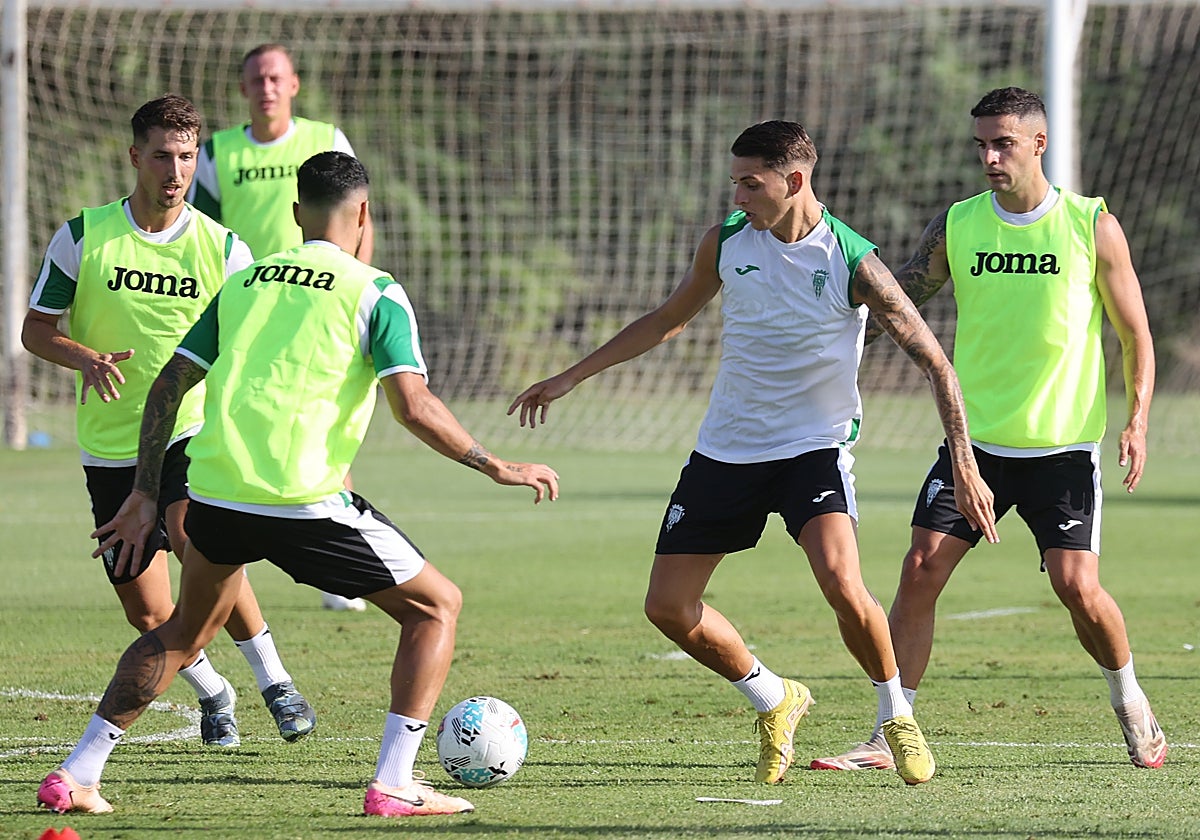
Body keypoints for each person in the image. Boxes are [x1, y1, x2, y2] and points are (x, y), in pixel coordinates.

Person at [36, 151, 560, 818]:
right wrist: (498, 465)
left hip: (217, 492)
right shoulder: (375, 290)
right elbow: (415, 406)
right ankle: (395, 783)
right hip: (305, 500)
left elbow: (169, 383)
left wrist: (143, 491)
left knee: (186, 629)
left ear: (294, 214)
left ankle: (78, 772)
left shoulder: (247, 281)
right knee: (435, 608)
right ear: (364, 213)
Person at [508, 120, 997, 786]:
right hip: (726, 450)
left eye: (750, 182)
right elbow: (666, 320)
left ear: (794, 181)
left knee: (842, 583)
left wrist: (964, 465)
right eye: (734, 180)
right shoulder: (727, 241)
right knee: (667, 608)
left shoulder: (852, 261)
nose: (737, 195)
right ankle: (775, 697)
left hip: (811, 452)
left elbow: (937, 365)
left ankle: (895, 718)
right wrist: (569, 377)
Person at [810, 87, 1166, 773]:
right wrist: (827, 298)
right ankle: (892, 732)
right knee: (919, 571)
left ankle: (1132, 703)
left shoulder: (1091, 226)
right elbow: (904, 291)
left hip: (1061, 450)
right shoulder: (959, 224)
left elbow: (1134, 333)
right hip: (972, 447)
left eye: (1002, 143)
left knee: (1076, 588)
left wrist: (1139, 420)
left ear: (1039, 143)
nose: (989, 156)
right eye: (981, 144)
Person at [22, 94, 315, 751]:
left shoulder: (224, 248)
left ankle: (276, 682)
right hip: (109, 445)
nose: (175, 170)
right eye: (162, 156)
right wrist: (84, 357)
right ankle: (215, 692)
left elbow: (255, 337)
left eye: (186, 157)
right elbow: (35, 331)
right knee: (148, 609)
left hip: (193, 429)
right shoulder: (83, 236)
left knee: (196, 538)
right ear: (135, 157)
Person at [187, 42, 375, 612]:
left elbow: (362, 214)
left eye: (276, 77)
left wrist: (358, 283)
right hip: (253, 311)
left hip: (321, 307)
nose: (266, 87)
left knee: (326, 425)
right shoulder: (218, 152)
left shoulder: (326, 138)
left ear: (294, 84)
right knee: (242, 428)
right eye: (255, 79)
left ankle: (332, 569)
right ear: (243, 89)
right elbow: (202, 229)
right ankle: (225, 558)